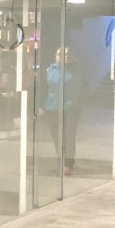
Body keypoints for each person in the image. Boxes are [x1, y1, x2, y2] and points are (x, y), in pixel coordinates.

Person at [42, 47, 79, 176]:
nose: (63, 56)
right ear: (55, 56)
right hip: (53, 108)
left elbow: (85, 88)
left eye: (66, 54)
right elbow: (45, 87)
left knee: (69, 136)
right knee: (57, 136)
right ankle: (61, 161)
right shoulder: (50, 70)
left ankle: (68, 164)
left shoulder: (77, 71)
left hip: (71, 109)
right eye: (59, 54)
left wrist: (78, 102)